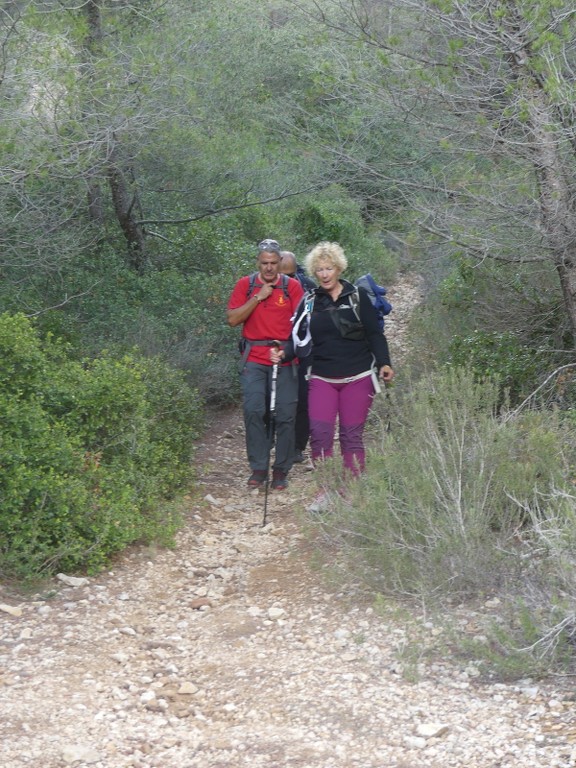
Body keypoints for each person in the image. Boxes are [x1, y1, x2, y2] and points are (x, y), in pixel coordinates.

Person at [293, 241, 394, 491]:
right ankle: (325, 491)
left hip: (358, 377)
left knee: (351, 436)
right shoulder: (309, 302)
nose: (325, 274)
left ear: (339, 269)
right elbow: (298, 338)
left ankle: (352, 492)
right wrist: (280, 353)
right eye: (319, 270)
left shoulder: (358, 298)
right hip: (321, 377)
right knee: (319, 435)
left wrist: (384, 363)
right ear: (314, 273)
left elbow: (374, 334)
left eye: (329, 268)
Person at [227, 239, 304, 491]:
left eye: (273, 263)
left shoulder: (292, 287)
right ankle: (258, 467)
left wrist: (285, 351)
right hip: (254, 358)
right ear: (257, 263)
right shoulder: (245, 285)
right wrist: (258, 298)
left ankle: (281, 469)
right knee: (253, 410)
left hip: (285, 358)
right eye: (264, 263)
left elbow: (302, 326)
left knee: (285, 415)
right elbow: (233, 319)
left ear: (280, 262)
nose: (269, 268)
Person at [280, 251, 316, 464]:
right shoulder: (265, 287)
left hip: (304, 349)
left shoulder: (308, 288)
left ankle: (297, 446)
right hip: (278, 348)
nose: (287, 281)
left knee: (304, 399)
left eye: (291, 275)